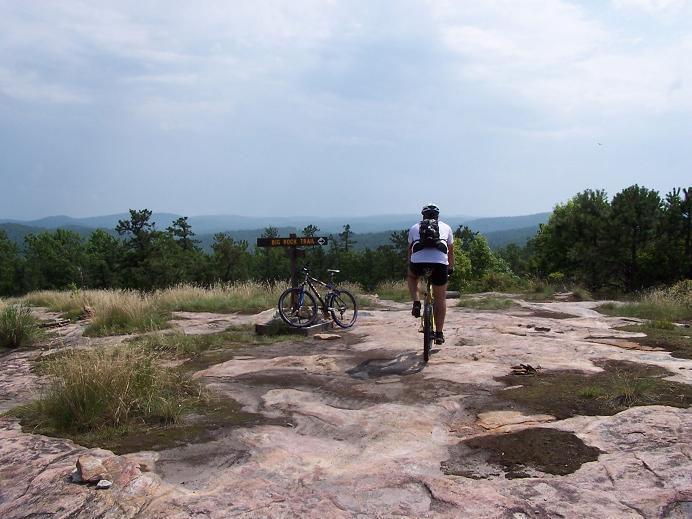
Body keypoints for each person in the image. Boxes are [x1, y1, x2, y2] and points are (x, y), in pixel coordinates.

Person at [407, 203, 454, 345]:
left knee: (411, 275)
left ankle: (416, 301)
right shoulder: (446, 227)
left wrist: (410, 264)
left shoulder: (414, 228)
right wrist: (450, 268)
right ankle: (439, 333)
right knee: (440, 298)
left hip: (418, 264)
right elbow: (450, 251)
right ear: (437, 216)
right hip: (440, 265)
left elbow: (409, 251)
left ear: (423, 216)